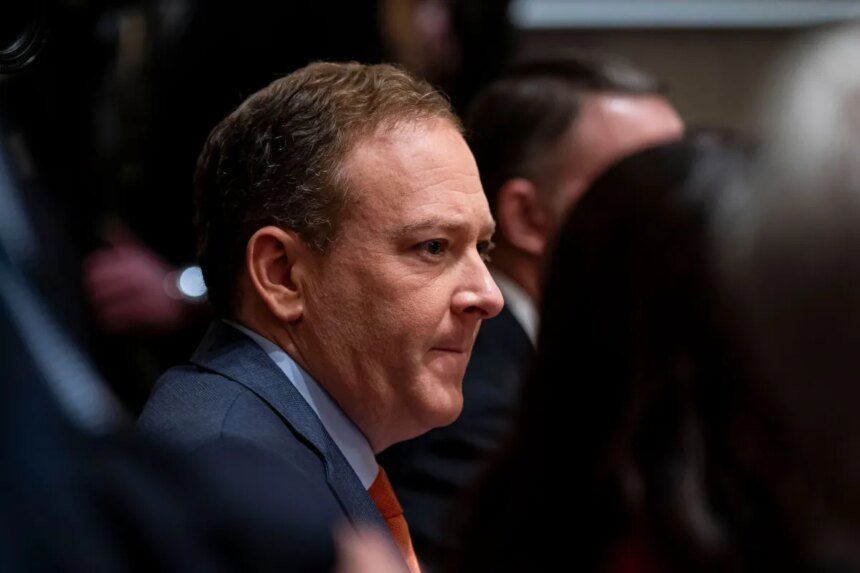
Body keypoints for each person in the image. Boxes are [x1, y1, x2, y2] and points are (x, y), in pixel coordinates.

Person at [137, 61, 504, 573]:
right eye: (433, 246)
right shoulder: (230, 492)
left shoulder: (279, 443)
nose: (488, 295)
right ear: (282, 274)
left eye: (482, 248)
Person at [379, 53, 683, 567]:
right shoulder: (475, 409)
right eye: (643, 187)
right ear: (527, 216)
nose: (681, 212)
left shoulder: (579, 362)